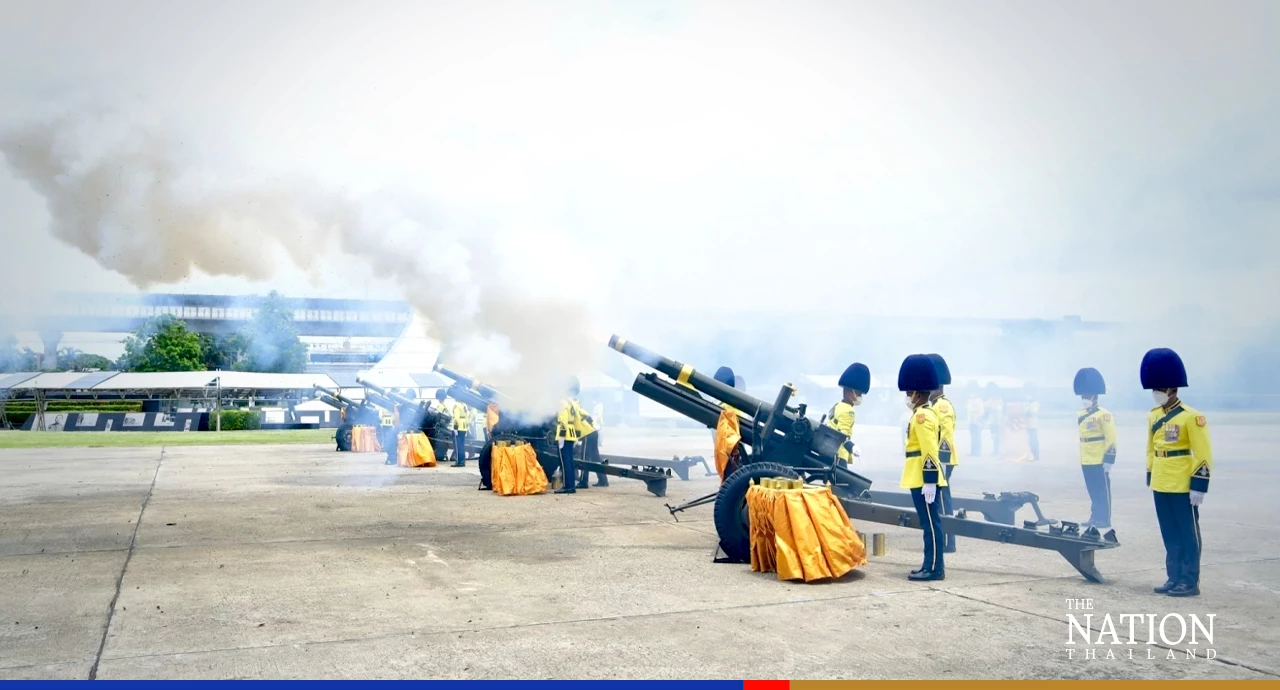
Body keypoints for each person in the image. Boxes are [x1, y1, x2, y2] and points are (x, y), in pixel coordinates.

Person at [1142, 348, 1212, 598]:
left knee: (1188, 534)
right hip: (1161, 481)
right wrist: (1151, 475)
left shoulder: (1192, 417)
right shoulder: (1153, 416)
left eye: (1159, 389)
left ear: (1172, 389)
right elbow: (1151, 449)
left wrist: (1199, 486)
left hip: (1183, 483)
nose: (1155, 394)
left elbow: (1203, 453)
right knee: (1169, 533)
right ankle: (1173, 577)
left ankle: (1189, 581)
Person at [898, 354, 946, 581]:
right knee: (927, 524)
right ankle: (929, 564)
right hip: (918, 476)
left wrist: (930, 480)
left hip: (924, 477)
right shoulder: (921, 414)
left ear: (917, 393)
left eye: (909, 393)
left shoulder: (923, 417)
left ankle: (935, 569)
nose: (907, 397)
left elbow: (929, 451)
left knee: (931, 525)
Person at [1074, 367, 1116, 536]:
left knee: (1102, 490)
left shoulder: (1103, 415)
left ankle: (1104, 518)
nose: (1084, 399)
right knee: (1092, 489)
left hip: (1099, 458)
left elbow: (1111, 438)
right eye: (1082, 396)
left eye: (1087, 396)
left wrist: (1109, 459)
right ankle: (1095, 516)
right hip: (1087, 457)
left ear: (1095, 396)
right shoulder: (1081, 413)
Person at [927, 354, 958, 553]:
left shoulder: (942, 407)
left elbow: (945, 438)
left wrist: (942, 463)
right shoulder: (936, 406)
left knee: (944, 502)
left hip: (942, 459)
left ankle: (950, 540)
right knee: (940, 500)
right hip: (938, 460)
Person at [554, 377, 595, 494]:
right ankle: (570, 485)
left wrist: (561, 437)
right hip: (571, 434)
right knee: (570, 461)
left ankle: (568, 486)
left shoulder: (562, 403)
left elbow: (563, 421)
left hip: (565, 434)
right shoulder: (571, 402)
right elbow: (579, 417)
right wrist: (577, 436)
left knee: (565, 462)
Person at [825, 362, 870, 467]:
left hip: (829, 452)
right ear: (850, 393)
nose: (860, 397)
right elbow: (842, 435)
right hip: (839, 455)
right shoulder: (849, 411)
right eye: (859, 394)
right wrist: (852, 447)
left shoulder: (838, 406)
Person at [449, 393, 472, 467]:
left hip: (458, 427)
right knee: (461, 445)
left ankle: (459, 462)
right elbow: (467, 416)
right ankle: (462, 461)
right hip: (464, 426)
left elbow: (456, 418)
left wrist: (455, 428)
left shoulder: (456, 405)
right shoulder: (464, 405)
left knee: (457, 446)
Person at [985, 384, 1003, 456]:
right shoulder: (990, 400)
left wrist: (992, 407)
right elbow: (986, 406)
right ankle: (995, 450)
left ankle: (998, 450)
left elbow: (999, 409)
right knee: (994, 436)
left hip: (998, 421)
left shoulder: (999, 400)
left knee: (998, 436)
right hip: (992, 421)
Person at [1024, 387, 1041, 461]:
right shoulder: (1027, 403)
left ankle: (1035, 455)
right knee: (1030, 441)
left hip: (1033, 425)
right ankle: (1032, 455)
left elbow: (1034, 412)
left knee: (1033, 440)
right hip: (1028, 424)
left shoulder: (1035, 403)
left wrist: (1027, 412)